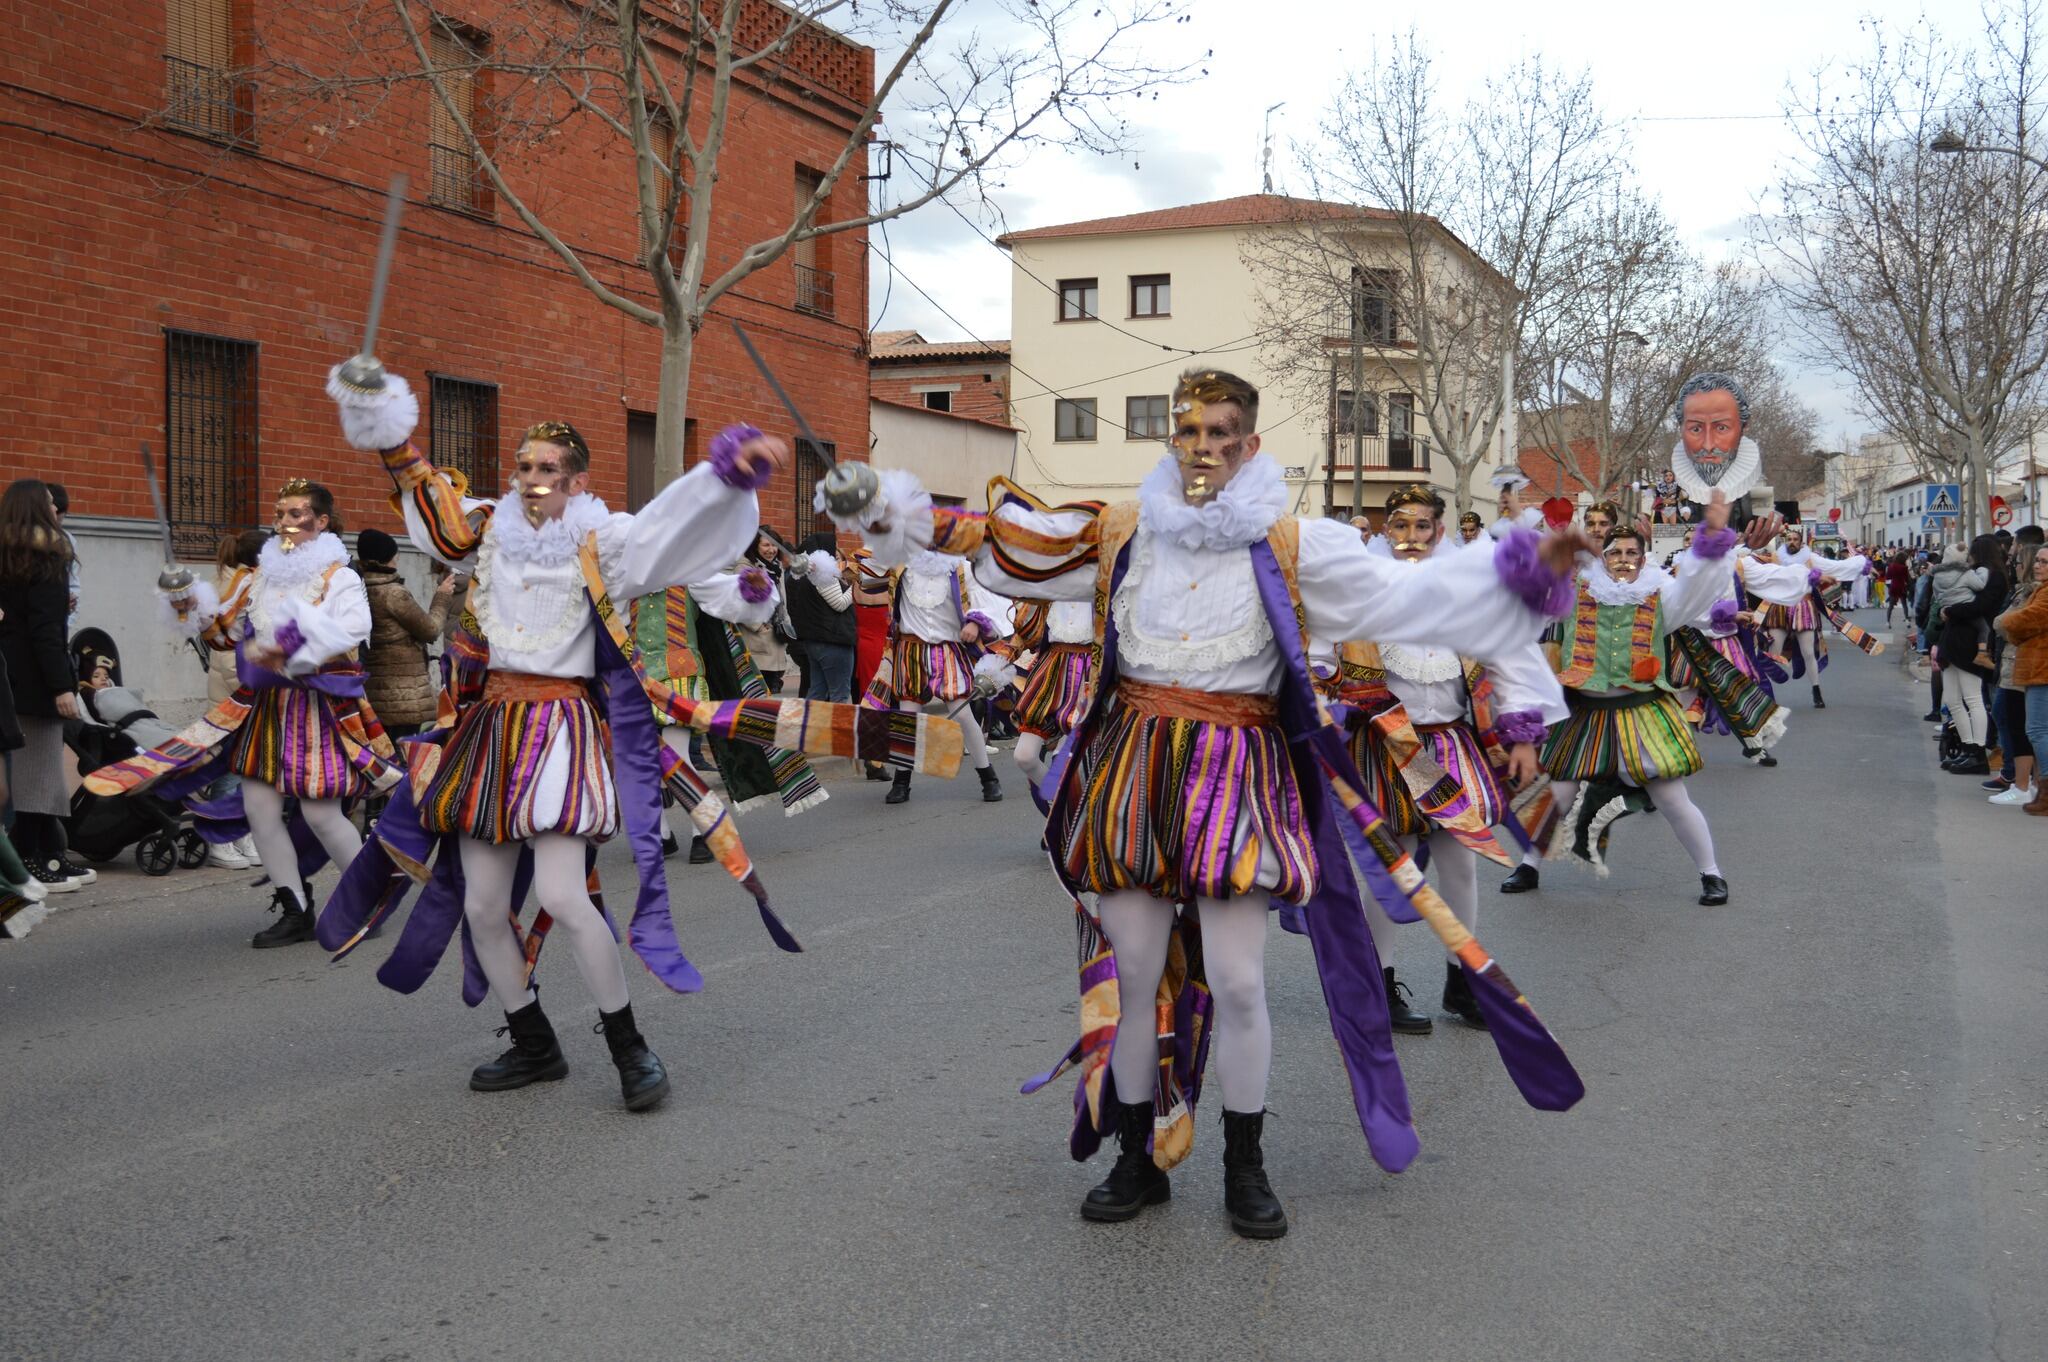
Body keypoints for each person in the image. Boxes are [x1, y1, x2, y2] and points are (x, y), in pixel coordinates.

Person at [824, 368, 1590, 1239]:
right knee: (1138, 975)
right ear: (1171, 443)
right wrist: (884, 509)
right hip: (1134, 767)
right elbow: (1007, 540)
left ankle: (1245, 1164)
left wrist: (1517, 574)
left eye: (1224, 433)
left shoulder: (1298, 546)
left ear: (1251, 446)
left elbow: (1411, 598)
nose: (1205, 447)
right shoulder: (1122, 532)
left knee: (1236, 979)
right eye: (1190, 432)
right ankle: (1137, 1158)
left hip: (1238, 770)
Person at [319, 369, 846, 1110]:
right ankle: (532, 1040)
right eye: (524, 467)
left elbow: (672, 533)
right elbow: (433, 511)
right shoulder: (487, 532)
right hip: (489, 731)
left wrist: (725, 478)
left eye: (549, 470)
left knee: (567, 897)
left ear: (577, 482)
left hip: (561, 730)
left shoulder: (607, 542)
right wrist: (385, 426)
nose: (533, 479)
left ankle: (629, 1044)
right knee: (480, 907)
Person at [86, 478, 392, 944]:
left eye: (296, 514)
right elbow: (224, 635)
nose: (285, 521)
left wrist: (290, 648)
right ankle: (296, 906)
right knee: (260, 809)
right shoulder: (260, 575)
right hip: (265, 709)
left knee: (321, 815)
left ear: (322, 522)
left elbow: (353, 630)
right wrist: (189, 604)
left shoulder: (338, 576)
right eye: (281, 512)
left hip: (314, 708)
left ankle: (368, 900)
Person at [1321, 485, 1564, 1034]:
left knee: (1461, 865)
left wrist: (1522, 735)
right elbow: (1317, 650)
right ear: (1385, 532)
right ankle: (1378, 986)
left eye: (1422, 527)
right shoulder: (1363, 594)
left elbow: (1508, 661)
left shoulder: (1467, 596)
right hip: (1387, 747)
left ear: (1440, 530)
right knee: (1395, 867)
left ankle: (1463, 980)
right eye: (1400, 527)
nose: (1411, 539)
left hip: (1451, 745)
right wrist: (1326, 686)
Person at [1500, 500, 1773, 905]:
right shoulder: (1576, 592)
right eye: (1615, 552)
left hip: (1641, 711)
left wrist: (1715, 538)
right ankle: (1528, 865)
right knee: (1558, 793)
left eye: (1631, 553)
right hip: (1585, 713)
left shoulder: (1662, 596)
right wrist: (1520, 525)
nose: (1623, 560)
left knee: (1672, 799)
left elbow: (1698, 585)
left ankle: (1711, 873)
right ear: (1603, 557)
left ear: (1643, 558)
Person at [0, 480, 91, 891]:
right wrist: (63, 686)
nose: (58, 512)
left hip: (8, 678)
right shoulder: (47, 558)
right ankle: (34, 858)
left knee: (23, 772)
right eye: (53, 505)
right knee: (39, 772)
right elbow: (46, 632)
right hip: (37, 682)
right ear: (39, 510)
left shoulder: (7, 556)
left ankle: (44, 855)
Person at [867, 541, 1006, 805]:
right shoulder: (901, 564)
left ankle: (989, 778)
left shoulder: (962, 569)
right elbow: (864, 573)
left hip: (947, 651)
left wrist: (976, 623)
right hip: (911, 650)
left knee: (964, 715)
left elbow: (987, 604)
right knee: (908, 719)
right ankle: (901, 782)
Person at [356, 527, 457, 739]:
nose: (397, 559)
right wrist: (442, 597)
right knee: (406, 755)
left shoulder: (359, 587)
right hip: (403, 696)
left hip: (375, 692)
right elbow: (430, 629)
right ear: (386, 558)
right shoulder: (393, 593)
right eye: (394, 555)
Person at [1931, 536, 2008, 776]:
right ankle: (1966, 747)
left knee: (1973, 698)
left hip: (1972, 642)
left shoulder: (1994, 577)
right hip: (1954, 640)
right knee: (1953, 699)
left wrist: (1949, 610)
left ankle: (1977, 752)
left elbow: (1981, 607)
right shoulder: (1973, 573)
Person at [1006, 596, 1097, 790]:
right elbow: (1028, 630)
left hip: (1093, 670)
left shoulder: (1107, 576)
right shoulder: (1053, 579)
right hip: (1053, 668)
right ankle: (1064, 809)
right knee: (1025, 757)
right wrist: (1001, 659)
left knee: (1064, 758)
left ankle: (1071, 812)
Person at [1995, 546, 2048, 814]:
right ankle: (2040, 790)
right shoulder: (2040, 589)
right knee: (2036, 730)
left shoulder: (2045, 592)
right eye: (2037, 560)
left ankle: (2040, 790)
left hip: (2041, 668)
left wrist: (2007, 623)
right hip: (2036, 667)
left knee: (2037, 731)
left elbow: (2027, 620)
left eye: (2044, 562)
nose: (2038, 566)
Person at [1988, 538, 2039, 804]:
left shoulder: (2033, 594)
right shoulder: (2023, 591)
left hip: (2022, 665)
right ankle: (2019, 780)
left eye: (2016, 562)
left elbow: (2007, 622)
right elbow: (2003, 622)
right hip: (2012, 664)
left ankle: (2021, 783)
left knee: (2022, 727)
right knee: (2009, 719)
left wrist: (2005, 623)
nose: (2012, 566)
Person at [784, 531, 857, 701]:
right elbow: (839, 603)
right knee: (840, 695)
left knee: (817, 691)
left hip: (814, 641)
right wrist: (856, 586)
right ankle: (838, 727)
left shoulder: (802, 573)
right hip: (833, 642)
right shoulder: (822, 572)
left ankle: (807, 726)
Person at [736, 529, 792, 693]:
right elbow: (740, 602)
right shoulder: (745, 568)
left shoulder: (777, 568)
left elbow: (783, 601)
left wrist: (786, 623)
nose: (771, 550)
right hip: (756, 638)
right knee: (757, 693)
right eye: (766, 545)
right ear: (755, 546)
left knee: (773, 691)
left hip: (777, 636)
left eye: (775, 545)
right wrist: (758, 626)